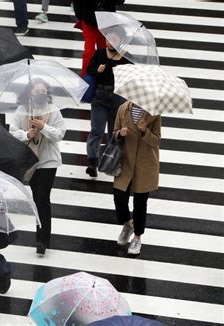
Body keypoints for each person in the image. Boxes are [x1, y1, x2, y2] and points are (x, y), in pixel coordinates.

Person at [10, 78, 67, 255]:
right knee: (37, 198)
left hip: (48, 161)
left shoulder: (53, 111)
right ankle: (41, 234)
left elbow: (59, 134)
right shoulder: (21, 111)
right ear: (29, 93)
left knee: (43, 198)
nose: (40, 94)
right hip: (31, 160)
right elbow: (12, 133)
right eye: (37, 91)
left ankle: (42, 239)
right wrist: (28, 133)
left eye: (43, 91)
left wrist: (43, 127)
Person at [113, 101, 161, 255]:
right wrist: (120, 133)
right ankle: (127, 224)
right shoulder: (122, 108)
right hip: (125, 162)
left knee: (140, 203)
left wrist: (144, 130)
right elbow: (114, 133)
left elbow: (156, 140)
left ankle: (137, 238)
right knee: (119, 199)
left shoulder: (154, 113)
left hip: (144, 164)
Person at [85, 30, 130, 178]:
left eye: (114, 40)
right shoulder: (100, 53)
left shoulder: (125, 58)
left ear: (120, 42)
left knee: (114, 132)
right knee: (96, 130)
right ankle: (92, 161)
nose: (110, 43)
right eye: (108, 40)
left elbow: (131, 78)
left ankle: (112, 160)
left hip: (117, 99)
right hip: (100, 97)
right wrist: (97, 70)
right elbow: (89, 70)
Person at [73, 0, 125, 76]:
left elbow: (119, 1)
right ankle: (86, 76)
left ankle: (102, 73)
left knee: (104, 49)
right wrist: (81, 15)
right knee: (89, 51)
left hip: (106, 19)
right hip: (89, 18)